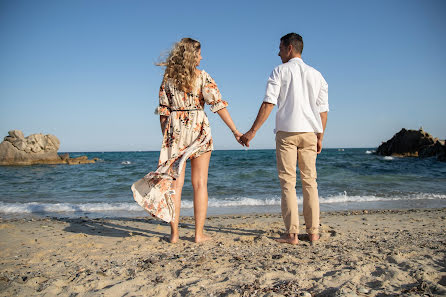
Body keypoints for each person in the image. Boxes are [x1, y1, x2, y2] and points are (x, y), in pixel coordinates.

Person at [132, 38, 242, 243]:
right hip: (199, 129)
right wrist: (235, 131)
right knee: (200, 184)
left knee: (175, 185)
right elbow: (217, 105)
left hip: (175, 130)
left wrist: (167, 135)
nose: (202, 57)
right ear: (192, 55)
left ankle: (174, 235)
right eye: (199, 53)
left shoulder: (168, 80)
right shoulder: (202, 77)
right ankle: (198, 235)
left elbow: (163, 112)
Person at [240, 33, 329, 245]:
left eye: (280, 48)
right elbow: (323, 111)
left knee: (288, 183)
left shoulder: (279, 71)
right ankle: (314, 233)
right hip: (309, 133)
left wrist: (252, 132)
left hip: (287, 133)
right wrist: (320, 136)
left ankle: (292, 234)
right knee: (310, 183)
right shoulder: (317, 75)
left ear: (289, 48)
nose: (278, 52)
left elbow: (268, 103)